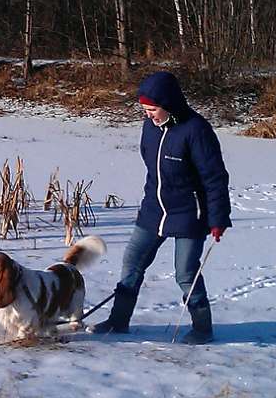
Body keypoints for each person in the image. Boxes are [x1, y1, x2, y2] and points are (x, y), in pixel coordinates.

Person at [92, 70, 232, 344]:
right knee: (132, 263)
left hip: (189, 214)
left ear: (168, 104)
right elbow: (153, 172)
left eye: (153, 109)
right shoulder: (150, 128)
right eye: (144, 110)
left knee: (185, 272)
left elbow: (215, 178)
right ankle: (118, 321)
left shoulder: (196, 130)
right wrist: (147, 205)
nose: (148, 115)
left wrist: (218, 218)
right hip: (154, 211)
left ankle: (202, 329)